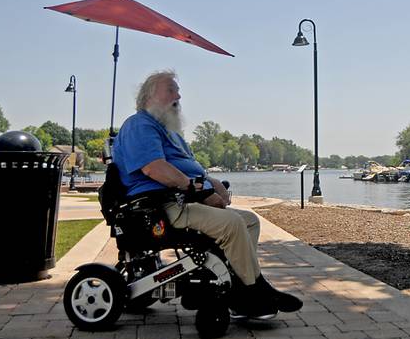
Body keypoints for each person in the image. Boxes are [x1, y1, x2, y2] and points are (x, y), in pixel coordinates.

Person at [112, 70, 302, 318]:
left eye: (177, 90)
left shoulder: (169, 131)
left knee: (249, 221)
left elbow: (190, 168)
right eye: (170, 89)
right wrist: (198, 191)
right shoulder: (139, 125)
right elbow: (154, 168)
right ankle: (252, 292)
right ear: (149, 95)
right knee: (233, 224)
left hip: (180, 201)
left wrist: (212, 183)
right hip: (159, 207)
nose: (178, 95)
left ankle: (241, 284)